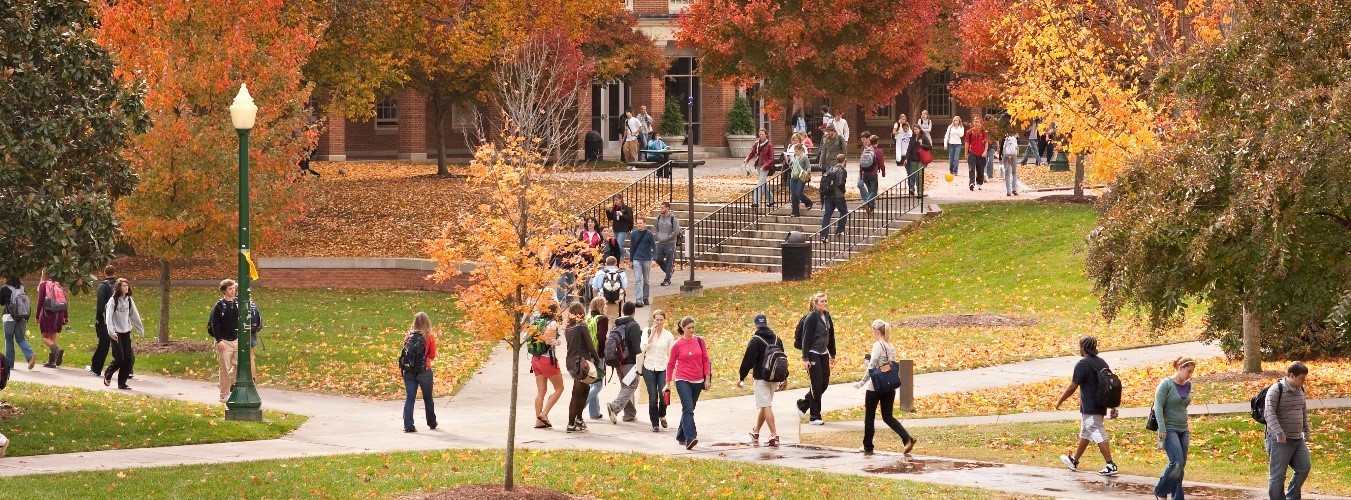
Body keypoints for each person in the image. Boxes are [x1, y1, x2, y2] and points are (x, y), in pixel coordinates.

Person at [1055, 336, 1120, 476]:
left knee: (1096, 432)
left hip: (1091, 407)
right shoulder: (1102, 362)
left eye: (1080, 346)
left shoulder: (1082, 364)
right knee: (1086, 432)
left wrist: (1060, 401)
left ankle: (1110, 465)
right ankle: (1074, 461)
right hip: (1100, 405)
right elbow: (1109, 385)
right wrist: (1113, 405)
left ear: (1083, 347)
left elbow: (1073, 386)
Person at [857, 319, 915, 455]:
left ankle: (867, 446)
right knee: (888, 416)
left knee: (869, 416)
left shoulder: (877, 345)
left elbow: (872, 366)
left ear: (877, 331)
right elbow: (888, 365)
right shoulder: (890, 346)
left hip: (876, 386)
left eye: (873, 331)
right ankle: (907, 438)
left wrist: (861, 382)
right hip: (889, 385)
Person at [1266, 361, 1312, 500]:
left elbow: (1302, 411)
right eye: (1302, 378)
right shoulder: (1276, 390)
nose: (1304, 381)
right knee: (1278, 475)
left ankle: (1292, 497)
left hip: (1297, 439)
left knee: (1304, 467)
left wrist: (1306, 430)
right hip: (1279, 440)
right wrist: (1279, 433)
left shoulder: (1300, 390)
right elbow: (1269, 413)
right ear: (1292, 375)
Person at [737, 313, 784, 447]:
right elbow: (782, 358)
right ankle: (756, 431)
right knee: (765, 404)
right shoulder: (777, 338)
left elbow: (748, 361)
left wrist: (741, 377)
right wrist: (783, 377)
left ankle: (774, 435)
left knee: (766, 405)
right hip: (775, 377)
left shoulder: (755, 340)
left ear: (756, 324)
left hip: (761, 377)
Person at [1152, 357, 1195, 500]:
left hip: (1184, 429)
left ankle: (1177, 497)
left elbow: (1182, 405)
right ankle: (1160, 491)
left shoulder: (1188, 385)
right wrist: (1162, 428)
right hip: (1169, 429)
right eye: (1188, 371)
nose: (1190, 375)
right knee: (1176, 462)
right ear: (1180, 368)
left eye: (1192, 372)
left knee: (1181, 466)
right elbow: (1157, 406)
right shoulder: (1166, 384)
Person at [667, 316, 711, 450]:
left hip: (698, 380)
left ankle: (681, 435)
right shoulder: (677, 345)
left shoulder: (700, 341)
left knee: (690, 409)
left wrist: (707, 378)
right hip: (682, 379)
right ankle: (690, 438)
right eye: (688, 328)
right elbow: (670, 365)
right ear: (682, 328)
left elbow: (705, 359)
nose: (692, 330)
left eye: (693, 327)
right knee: (687, 408)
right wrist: (667, 383)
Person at [795, 292, 836, 425]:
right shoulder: (811, 317)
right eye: (822, 301)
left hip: (823, 353)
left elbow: (831, 336)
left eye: (826, 301)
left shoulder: (827, 316)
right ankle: (814, 416)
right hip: (812, 353)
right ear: (815, 303)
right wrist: (805, 358)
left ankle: (803, 404)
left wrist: (833, 354)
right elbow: (806, 338)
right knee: (816, 384)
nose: (824, 303)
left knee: (824, 383)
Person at [605, 301, 644, 424]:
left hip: (618, 361)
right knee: (631, 385)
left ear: (623, 312)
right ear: (634, 312)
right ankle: (614, 407)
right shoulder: (633, 325)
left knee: (625, 386)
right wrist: (640, 361)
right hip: (629, 362)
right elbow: (636, 347)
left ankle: (629, 414)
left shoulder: (617, 325)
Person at [102, 278, 143, 390]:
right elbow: (108, 317)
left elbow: (135, 315)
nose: (126, 287)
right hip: (115, 333)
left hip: (126, 331)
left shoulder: (129, 300)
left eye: (127, 285)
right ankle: (108, 373)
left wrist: (140, 329)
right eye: (123, 286)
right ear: (118, 287)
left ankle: (122, 383)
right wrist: (111, 331)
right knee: (120, 358)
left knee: (128, 358)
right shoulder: (113, 300)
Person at [527, 304, 564, 429]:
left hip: (535, 359)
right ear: (554, 312)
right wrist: (557, 342)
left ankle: (538, 421)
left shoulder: (535, 321)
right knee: (559, 388)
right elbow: (549, 341)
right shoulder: (552, 323)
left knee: (541, 391)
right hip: (548, 360)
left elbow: (525, 337)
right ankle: (544, 414)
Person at [564, 302, 598, 433]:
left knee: (585, 388)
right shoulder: (582, 326)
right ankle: (571, 423)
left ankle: (578, 419)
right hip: (582, 363)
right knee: (577, 392)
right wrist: (596, 359)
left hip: (571, 362)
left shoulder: (568, 328)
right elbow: (590, 345)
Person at [401, 312, 438, 432]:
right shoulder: (429, 336)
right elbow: (432, 356)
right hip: (424, 371)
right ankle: (431, 423)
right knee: (428, 398)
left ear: (415, 321)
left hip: (409, 371)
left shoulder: (408, 336)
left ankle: (408, 425)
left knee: (410, 398)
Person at [640, 309, 676, 432]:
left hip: (662, 367)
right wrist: (651, 334)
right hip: (649, 366)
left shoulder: (668, 335)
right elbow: (643, 347)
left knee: (663, 394)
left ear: (664, 321)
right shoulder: (647, 331)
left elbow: (672, 353)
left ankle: (662, 415)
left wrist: (673, 370)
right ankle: (654, 423)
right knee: (653, 397)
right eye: (657, 320)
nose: (659, 322)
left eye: (661, 320)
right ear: (653, 320)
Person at [207, 279, 242, 403]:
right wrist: (219, 340)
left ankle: (227, 385)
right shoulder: (219, 306)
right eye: (230, 289)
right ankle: (224, 394)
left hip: (236, 340)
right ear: (224, 291)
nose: (233, 291)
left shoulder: (237, 303)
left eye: (234, 289)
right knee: (225, 369)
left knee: (239, 365)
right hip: (224, 342)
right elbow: (214, 324)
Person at [584, 296, 611, 420]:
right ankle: (579, 406)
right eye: (604, 304)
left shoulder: (588, 318)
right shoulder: (602, 319)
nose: (606, 306)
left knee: (592, 382)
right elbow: (601, 338)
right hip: (598, 355)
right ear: (600, 306)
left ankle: (594, 413)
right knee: (598, 385)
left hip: (587, 354)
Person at [35, 269, 68, 368]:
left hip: (47, 313)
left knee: (44, 337)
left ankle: (57, 350)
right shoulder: (58, 284)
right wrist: (66, 316)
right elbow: (65, 301)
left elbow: (40, 302)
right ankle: (52, 362)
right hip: (59, 313)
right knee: (53, 336)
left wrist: (37, 316)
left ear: (43, 274)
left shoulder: (43, 285)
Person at [88, 265, 117, 375]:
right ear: (114, 272)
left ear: (105, 273)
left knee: (103, 343)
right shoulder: (119, 285)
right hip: (119, 319)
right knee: (121, 343)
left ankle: (96, 367)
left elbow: (101, 305)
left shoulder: (103, 286)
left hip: (106, 320)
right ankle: (127, 369)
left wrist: (99, 319)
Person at [1, 277, 36, 370]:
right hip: (22, 317)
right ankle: (30, 355)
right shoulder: (22, 288)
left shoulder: (5, 288)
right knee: (20, 339)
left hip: (9, 317)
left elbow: (1, 302)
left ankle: (9, 364)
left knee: (8, 339)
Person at [818, 154, 848, 243]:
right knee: (843, 211)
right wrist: (843, 191)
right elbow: (841, 183)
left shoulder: (831, 169)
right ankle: (840, 230)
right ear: (844, 161)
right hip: (838, 195)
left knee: (827, 215)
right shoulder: (842, 170)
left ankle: (824, 236)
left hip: (828, 195)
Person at [745, 128, 776, 208]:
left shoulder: (769, 145)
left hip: (765, 167)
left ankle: (756, 202)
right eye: (760, 134)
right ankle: (771, 201)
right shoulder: (757, 144)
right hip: (758, 165)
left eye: (762, 134)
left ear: (766, 134)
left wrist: (765, 166)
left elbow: (771, 158)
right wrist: (747, 159)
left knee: (760, 183)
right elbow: (752, 152)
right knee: (763, 183)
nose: (761, 136)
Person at [628, 218, 656, 307]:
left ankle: (645, 297)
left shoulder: (649, 234)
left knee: (646, 280)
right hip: (637, 258)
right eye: (638, 223)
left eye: (640, 223)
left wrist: (654, 259)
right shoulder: (634, 234)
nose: (639, 225)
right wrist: (631, 260)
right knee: (637, 279)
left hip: (647, 259)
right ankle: (638, 299)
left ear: (644, 224)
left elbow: (654, 246)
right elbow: (632, 247)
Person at [654, 202, 681, 287]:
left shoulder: (673, 219)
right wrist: (658, 236)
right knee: (657, 258)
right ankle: (669, 271)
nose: (661, 209)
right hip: (660, 243)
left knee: (670, 261)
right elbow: (655, 228)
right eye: (660, 208)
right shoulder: (658, 218)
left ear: (667, 208)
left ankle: (667, 279)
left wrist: (668, 237)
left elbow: (676, 231)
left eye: (662, 208)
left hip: (670, 243)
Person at [856, 133, 884, 213]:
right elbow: (862, 161)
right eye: (861, 140)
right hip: (868, 172)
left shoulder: (870, 148)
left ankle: (871, 206)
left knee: (871, 189)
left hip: (867, 172)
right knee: (871, 189)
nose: (863, 141)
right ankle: (868, 202)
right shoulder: (865, 148)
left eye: (864, 139)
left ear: (869, 139)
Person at [787, 143, 814, 217]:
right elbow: (793, 164)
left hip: (801, 176)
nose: (795, 152)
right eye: (795, 151)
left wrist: (807, 172)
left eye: (797, 151)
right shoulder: (796, 156)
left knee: (798, 193)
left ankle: (808, 202)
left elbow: (809, 167)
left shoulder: (804, 157)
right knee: (793, 195)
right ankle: (795, 212)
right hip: (794, 176)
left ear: (801, 150)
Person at [963, 115, 989, 191]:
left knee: (980, 170)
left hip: (981, 153)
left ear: (980, 123)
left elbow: (986, 142)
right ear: (973, 123)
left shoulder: (983, 132)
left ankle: (979, 183)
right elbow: (967, 143)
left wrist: (985, 151)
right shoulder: (969, 132)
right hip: (972, 152)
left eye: (978, 122)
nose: (976, 123)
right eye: (975, 122)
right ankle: (971, 183)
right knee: (971, 168)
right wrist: (966, 153)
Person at [905, 130, 933, 197]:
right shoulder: (912, 138)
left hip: (921, 159)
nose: (915, 131)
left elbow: (929, 146)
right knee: (915, 175)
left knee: (919, 175)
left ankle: (920, 192)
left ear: (919, 129)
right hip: (913, 159)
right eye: (914, 129)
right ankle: (917, 191)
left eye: (916, 129)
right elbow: (909, 149)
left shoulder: (923, 137)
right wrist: (906, 158)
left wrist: (922, 144)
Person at [1002, 131, 1021, 196]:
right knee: (1014, 173)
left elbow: (1002, 146)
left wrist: (1000, 157)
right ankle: (1014, 189)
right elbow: (1017, 145)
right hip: (1013, 155)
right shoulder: (1015, 135)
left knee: (1007, 173)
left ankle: (1008, 191)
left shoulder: (1004, 135)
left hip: (1006, 155)